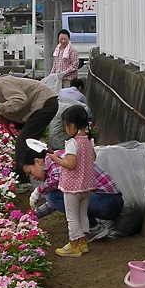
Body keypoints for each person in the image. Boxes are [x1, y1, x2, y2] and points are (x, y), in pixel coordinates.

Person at [23, 148, 123, 241]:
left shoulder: (53, 159)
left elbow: (56, 181)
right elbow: (59, 200)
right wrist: (34, 216)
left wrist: (38, 191)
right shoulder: (54, 160)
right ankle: (93, 227)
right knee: (53, 196)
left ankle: (93, 228)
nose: (33, 177)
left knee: (51, 195)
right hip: (107, 202)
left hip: (107, 201)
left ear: (38, 161)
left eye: (30, 172)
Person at [46, 105, 95, 257]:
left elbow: (71, 164)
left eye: (65, 126)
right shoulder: (88, 140)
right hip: (87, 185)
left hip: (72, 187)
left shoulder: (73, 143)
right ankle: (83, 243)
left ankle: (74, 245)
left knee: (72, 217)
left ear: (72, 125)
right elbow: (93, 157)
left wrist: (55, 158)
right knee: (82, 215)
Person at [48, 79, 90, 151]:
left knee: (57, 131)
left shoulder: (62, 90)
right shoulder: (81, 96)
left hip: (59, 109)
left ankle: (57, 147)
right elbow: (87, 112)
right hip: (71, 113)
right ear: (80, 87)